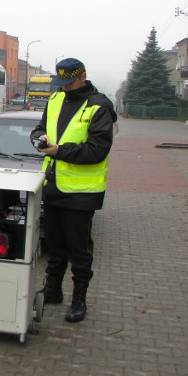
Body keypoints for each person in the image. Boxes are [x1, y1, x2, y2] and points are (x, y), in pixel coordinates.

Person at [30, 57, 117, 323]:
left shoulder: (99, 106)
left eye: (69, 82)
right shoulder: (55, 99)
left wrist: (59, 151)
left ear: (82, 77)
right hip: (53, 186)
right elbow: (40, 128)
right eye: (61, 82)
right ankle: (54, 290)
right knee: (55, 245)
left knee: (79, 250)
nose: (64, 87)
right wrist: (39, 139)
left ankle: (79, 299)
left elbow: (98, 149)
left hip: (81, 193)